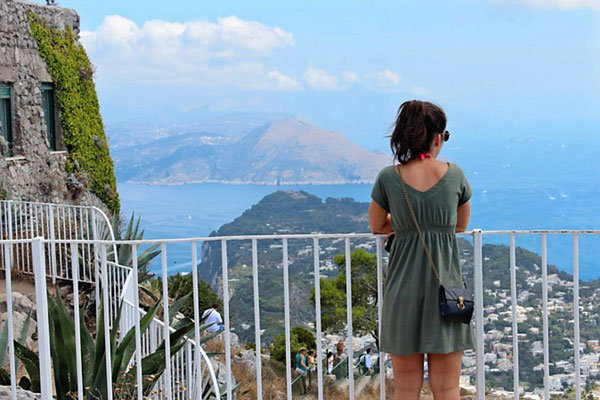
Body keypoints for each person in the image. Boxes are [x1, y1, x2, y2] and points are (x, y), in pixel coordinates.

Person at [369, 100, 473, 400]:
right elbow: (461, 225)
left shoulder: (389, 178)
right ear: (437, 137)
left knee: (405, 388)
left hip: (403, 292)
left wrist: (404, 223)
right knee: (447, 387)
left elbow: (377, 225)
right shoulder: (455, 176)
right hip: (447, 290)